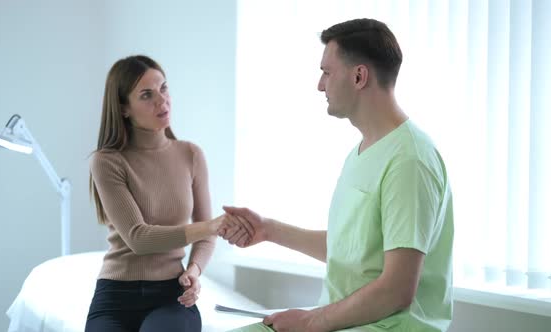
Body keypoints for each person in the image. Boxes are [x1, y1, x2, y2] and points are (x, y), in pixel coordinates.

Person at [219, 18, 454, 332]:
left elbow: (397, 290)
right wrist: (268, 230)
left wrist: (311, 321)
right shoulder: (365, 150)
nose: (320, 85)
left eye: (326, 72)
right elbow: (352, 251)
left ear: (359, 76)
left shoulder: (409, 160)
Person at [85, 55, 224, 332]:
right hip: (115, 296)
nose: (162, 101)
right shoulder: (107, 160)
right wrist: (211, 226)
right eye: (147, 95)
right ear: (124, 108)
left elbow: (206, 238)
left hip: (170, 296)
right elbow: (139, 238)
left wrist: (193, 271)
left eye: (164, 88)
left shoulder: (190, 154)